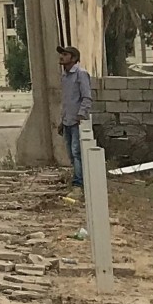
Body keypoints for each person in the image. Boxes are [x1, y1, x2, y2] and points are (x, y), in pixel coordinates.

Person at [58, 46, 91, 199]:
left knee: (77, 153)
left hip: (77, 122)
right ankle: (77, 182)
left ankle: (79, 186)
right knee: (71, 155)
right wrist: (62, 120)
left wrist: (81, 116)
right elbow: (66, 101)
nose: (62, 57)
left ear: (73, 58)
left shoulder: (81, 74)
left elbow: (86, 97)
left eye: (65, 54)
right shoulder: (64, 76)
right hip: (67, 121)